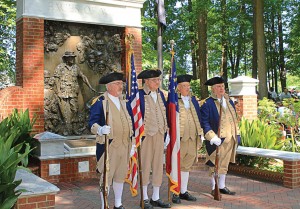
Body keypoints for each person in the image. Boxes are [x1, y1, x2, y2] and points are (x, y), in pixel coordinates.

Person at [89, 72, 134, 209]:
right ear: (109, 86)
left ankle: (118, 203)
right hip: (110, 146)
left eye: (122, 83)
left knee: (120, 176)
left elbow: (130, 123)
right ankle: (105, 205)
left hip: (124, 145)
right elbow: (92, 123)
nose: (121, 86)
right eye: (118, 83)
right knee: (107, 178)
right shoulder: (100, 102)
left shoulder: (125, 102)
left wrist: (132, 143)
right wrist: (100, 129)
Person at [200, 76, 240, 196]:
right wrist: (211, 137)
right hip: (217, 139)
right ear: (213, 89)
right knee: (214, 164)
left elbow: (234, 119)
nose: (221, 88)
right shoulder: (207, 103)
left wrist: (237, 134)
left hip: (230, 137)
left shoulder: (229, 101)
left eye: (222, 86)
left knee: (224, 163)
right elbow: (204, 122)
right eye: (218, 86)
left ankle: (222, 186)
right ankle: (214, 187)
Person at [137, 69, 171, 209]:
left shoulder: (161, 95)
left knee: (158, 166)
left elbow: (165, 114)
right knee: (145, 166)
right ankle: (144, 198)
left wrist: (167, 132)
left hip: (159, 134)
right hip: (145, 136)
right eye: (154, 80)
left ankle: (155, 197)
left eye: (158, 80)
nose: (158, 82)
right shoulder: (139, 95)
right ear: (146, 81)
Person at [172, 74, 204, 204]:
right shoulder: (173, 100)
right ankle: (175, 192)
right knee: (176, 165)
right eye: (184, 86)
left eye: (188, 86)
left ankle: (183, 191)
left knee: (187, 165)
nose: (187, 88)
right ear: (179, 88)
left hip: (192, 137)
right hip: (180, 138)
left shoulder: (193, 100)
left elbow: (198, 116)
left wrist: (200, 133)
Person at [54, 51, 96, 135]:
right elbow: (56, 80)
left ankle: (74, 127)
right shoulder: (60, 67)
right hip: (63, 92)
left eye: (73, 57)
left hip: (73, 92)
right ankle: (66, 129)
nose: (72, 59)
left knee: (75, 109)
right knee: (64, 111)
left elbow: (83, 76)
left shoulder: (76, 68)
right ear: (66, 58)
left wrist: (90, 86)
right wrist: (58, 91)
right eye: (70, 57)